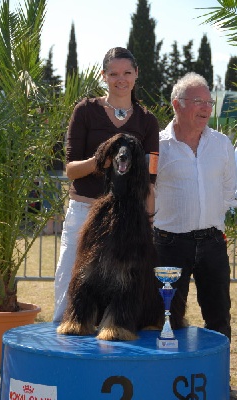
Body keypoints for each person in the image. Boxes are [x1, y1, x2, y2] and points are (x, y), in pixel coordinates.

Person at [53, 47, 159, 322]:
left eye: (126, 72)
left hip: (128, 219)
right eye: (113, 73)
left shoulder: (147, 121)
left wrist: (147, 225)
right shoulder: (86, 111)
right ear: (104, 76)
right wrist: (102, 160)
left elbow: (149, 180)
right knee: (70, 287)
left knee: (123, 288)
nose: (120, 79)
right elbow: (71, 169)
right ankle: (63, 350)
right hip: (84, 212)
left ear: (136, 74)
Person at [153, 72, 237, 341]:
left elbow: (228, 190)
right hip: (169, 246)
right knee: (166, 317)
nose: (206, 108)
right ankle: (167, 379)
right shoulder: (157, 146)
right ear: (177, 105)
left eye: (209, 102)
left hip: (212, 243)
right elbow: (148, 191)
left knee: (219, 316)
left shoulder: (222, 144)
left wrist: (211, 219)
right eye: (198, 101)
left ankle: (219, 380)